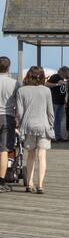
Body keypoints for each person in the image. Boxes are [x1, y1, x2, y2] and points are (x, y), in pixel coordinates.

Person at [16, 66, 54, 195]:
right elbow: (50, 112)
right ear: (42, 76)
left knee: (30, 155)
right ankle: (41, 185)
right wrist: (51, 125)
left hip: (28, 126)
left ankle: (30, 183)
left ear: (28, 76)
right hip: (43, 126)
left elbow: (20, 113)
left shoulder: (21, 91)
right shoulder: (46, 91)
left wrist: (20, 125)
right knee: (42, 156)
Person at [0, 56, 17, 191]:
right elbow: (19, 104)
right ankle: (1, 182)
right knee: (4, 150)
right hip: (7, 117)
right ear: (9, 67)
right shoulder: (15, 83)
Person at [47, 67, 69, 142]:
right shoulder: (55, 77)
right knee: (53, 120)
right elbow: (46, 84)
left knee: (58, 120)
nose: (67, 75)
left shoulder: (64, 79)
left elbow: (64, 91)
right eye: (66, 73)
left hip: (61, 102)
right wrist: (57, 84)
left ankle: (58, 136)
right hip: (54, 102)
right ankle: (52, 137)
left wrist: (65, 100)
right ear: (62, 72)